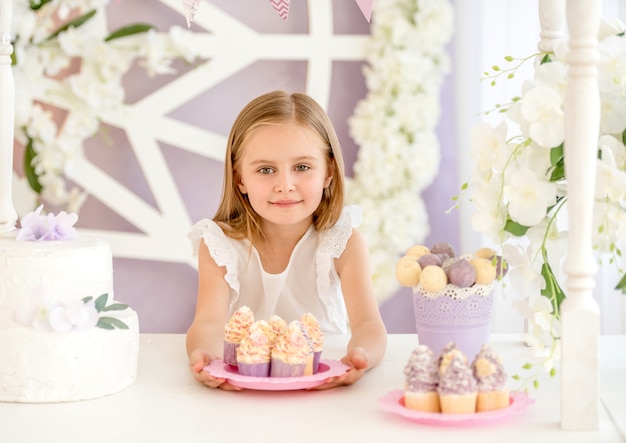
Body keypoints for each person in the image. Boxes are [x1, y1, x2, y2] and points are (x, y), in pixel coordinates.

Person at [186, 90, 387, 390]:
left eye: (302, 167)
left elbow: (369, 325)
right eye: (266, 170)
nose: (285, 185)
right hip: (244, 392)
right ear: (240, 177)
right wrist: (207, 359)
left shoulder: (343, 241)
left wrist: (361, 356)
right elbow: (208, 324)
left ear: (329, 172)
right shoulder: (219, 244)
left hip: (321, 386)